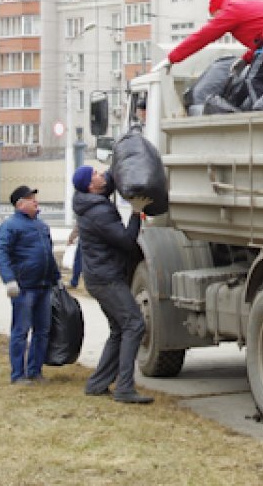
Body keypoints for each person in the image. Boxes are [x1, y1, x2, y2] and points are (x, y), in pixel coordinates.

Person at [71, 164, 154, 404]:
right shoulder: (99, 213)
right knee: (134, 324)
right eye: (95, 174)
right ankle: (125, 388)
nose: (100, 175)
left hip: (99, 277)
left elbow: (109, 177)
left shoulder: (88, 201)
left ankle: (97, 384)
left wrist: (120, 161)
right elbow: (128, 242)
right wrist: (137, 212)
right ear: (90, 186)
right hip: (106, 279)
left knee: (119, 330)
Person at [153, 0, 263, 104]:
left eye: (215, 16)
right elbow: (261, 42)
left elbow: (202, 36)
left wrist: (172, 58)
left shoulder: (230, 10)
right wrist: (245, 59)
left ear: (217, 10)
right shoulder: (244, 5)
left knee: (254, 79)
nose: (216, 19)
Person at [0, 185, 61, 385]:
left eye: (35, 198)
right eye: (31, 199)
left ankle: (35, 371)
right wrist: (9, 280)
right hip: (24, 288)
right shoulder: (10, 226)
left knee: (42, 331)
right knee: (21, 331)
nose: (36, 201)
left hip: (44, 286)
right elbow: (0, 253)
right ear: (19, 203)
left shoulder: (41, 226)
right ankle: (17, 374)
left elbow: (48, 254)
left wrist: (56, 278)